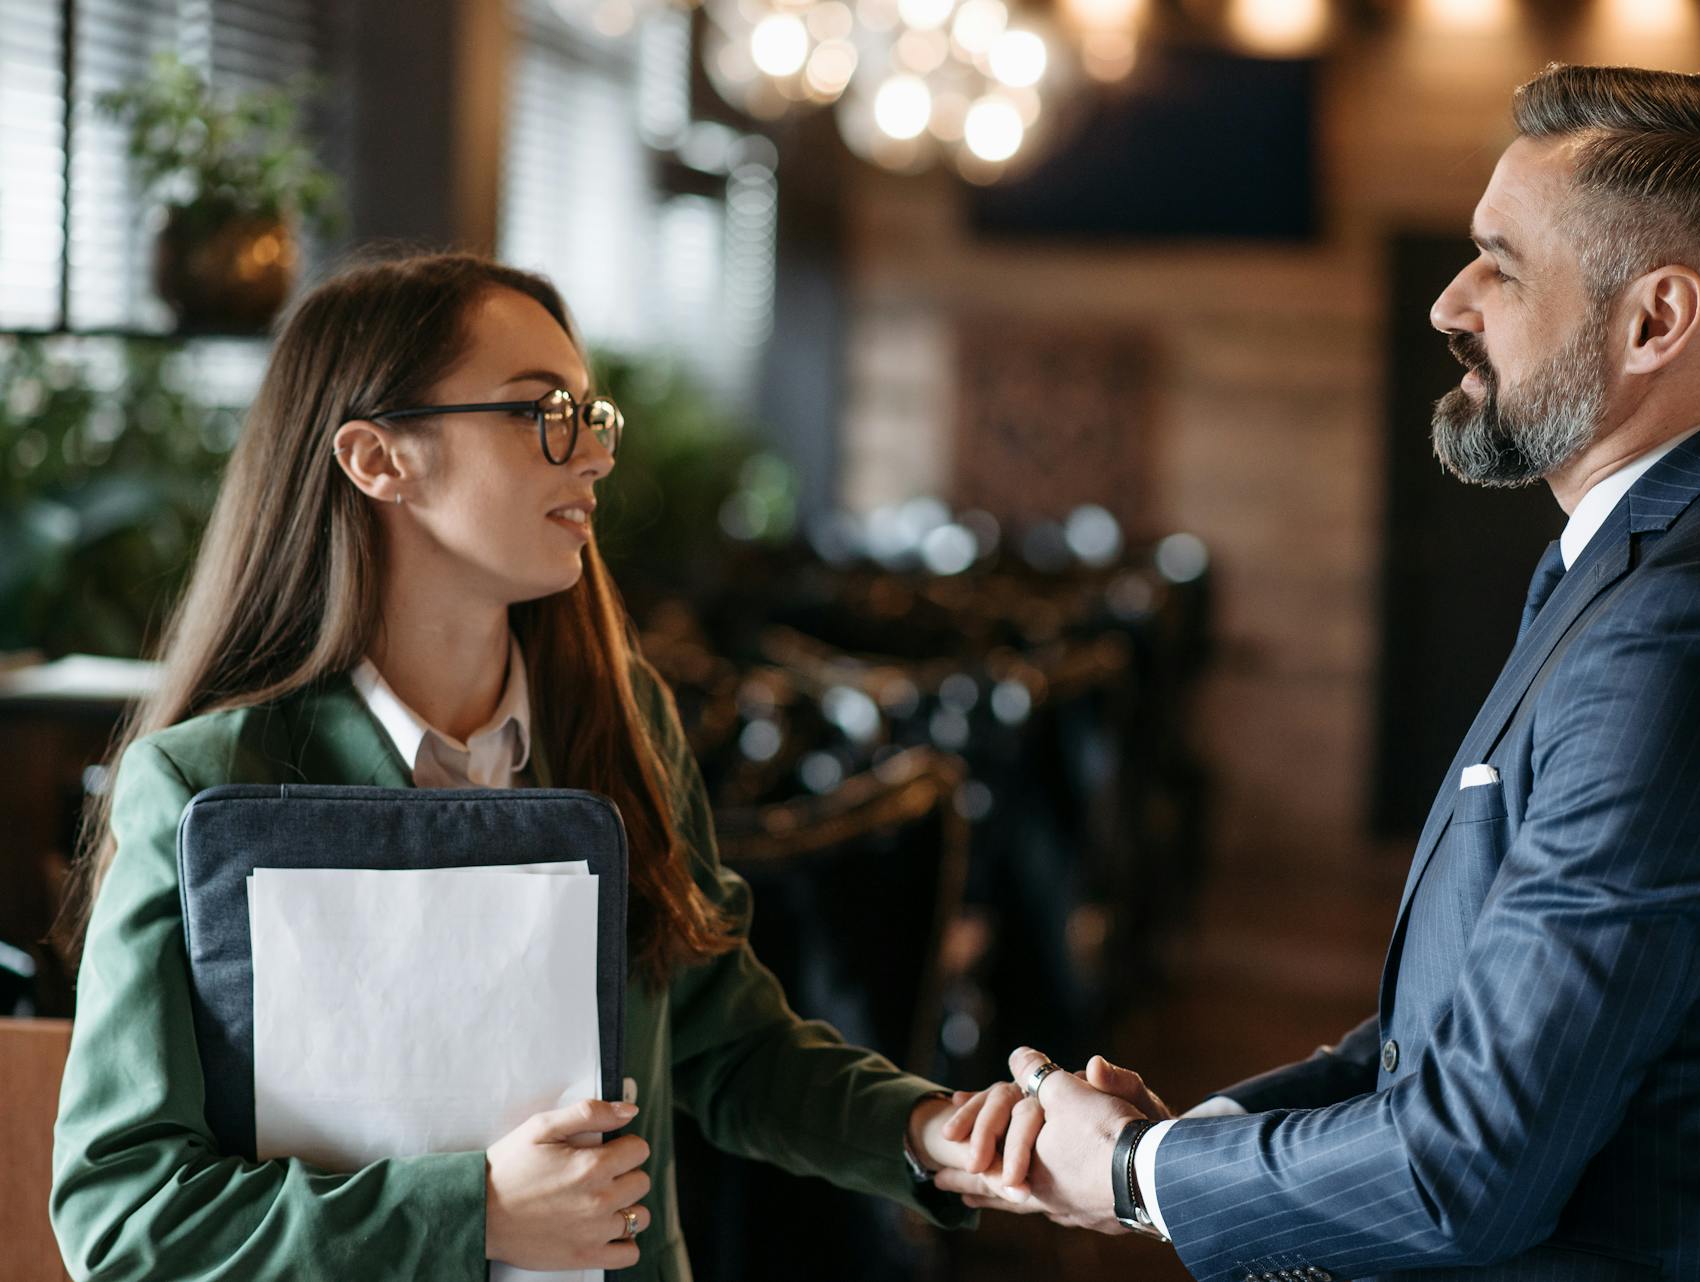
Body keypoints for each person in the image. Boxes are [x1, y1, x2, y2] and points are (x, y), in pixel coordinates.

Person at [937, 63, 1700, 1281]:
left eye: (1500, 264)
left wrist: (1138, 1178)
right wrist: (1187, 1142)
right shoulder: (1685, 558)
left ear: (1656, 320)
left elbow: (1467, 1169)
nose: (1451, 302)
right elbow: (1474, 1019)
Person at [48, 252, 1044, 1281]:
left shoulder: (620, 725)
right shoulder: (207, 786)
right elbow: (122, 1217)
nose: (596, 457)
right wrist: (469, 1210)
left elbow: (724, 1043)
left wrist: (937, 1133)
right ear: (377, 457)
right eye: (542, 413)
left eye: (590, 415)